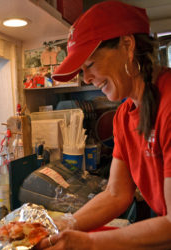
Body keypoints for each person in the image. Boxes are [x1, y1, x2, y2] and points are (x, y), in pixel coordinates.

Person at [36, 1, 171, 249]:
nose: (86, 78)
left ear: (127, 45)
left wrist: (89, 243)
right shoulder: (123, 116)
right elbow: (116, 194)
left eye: (89, 65)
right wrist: (65, 225)